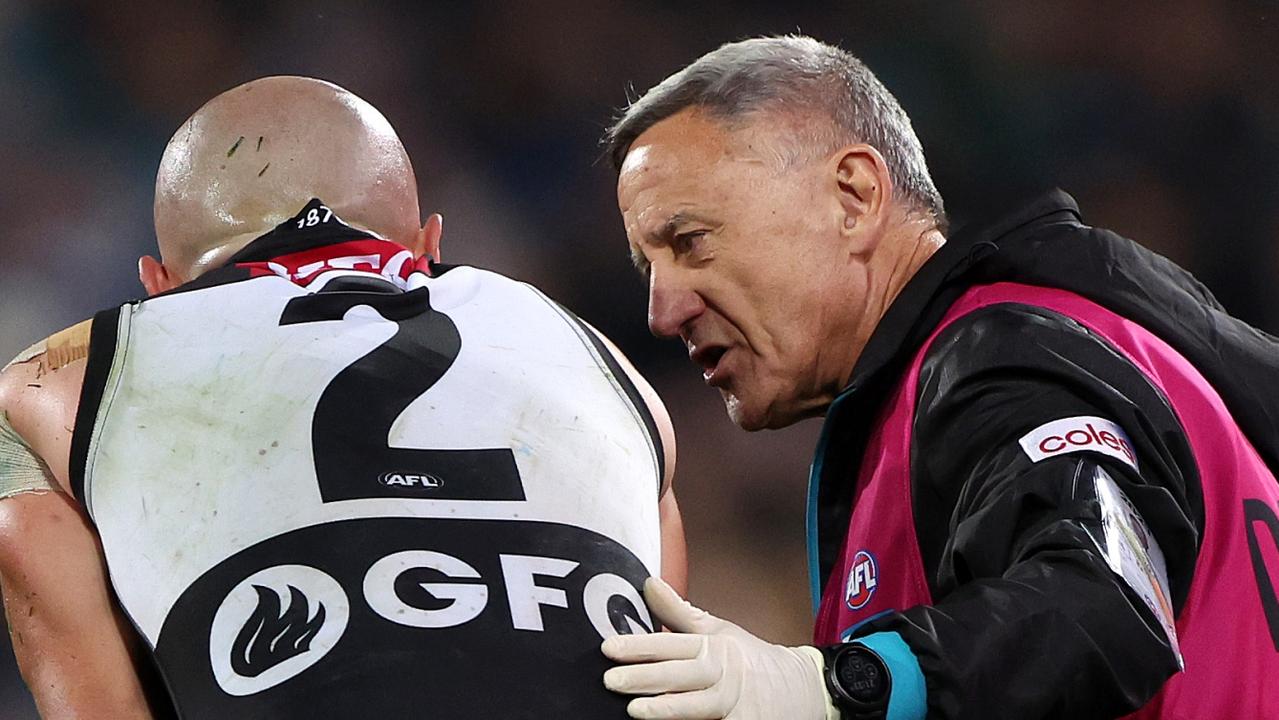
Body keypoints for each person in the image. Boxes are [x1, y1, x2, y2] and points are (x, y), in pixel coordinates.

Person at [598, 35, 1279, 720]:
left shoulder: (998, 353)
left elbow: (1106, 599)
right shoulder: (1092, 344)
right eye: (647, 268)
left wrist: (837, 686)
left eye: (690, 242)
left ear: (855, 195)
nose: (662, 311)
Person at [0, 76, 686, 719]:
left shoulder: (59, 377)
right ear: (430, 246)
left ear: (160, 286)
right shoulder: (600, 360)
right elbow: (674, 665)